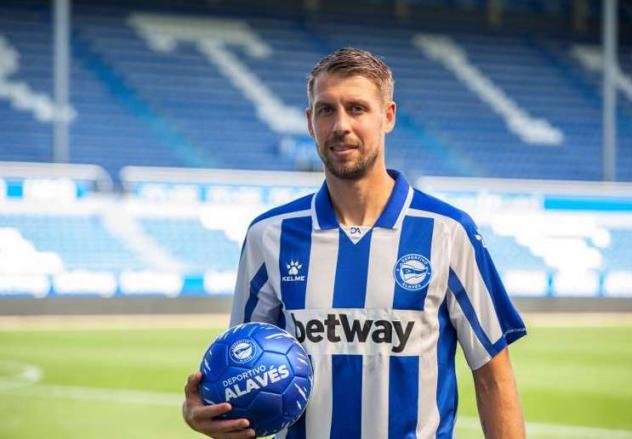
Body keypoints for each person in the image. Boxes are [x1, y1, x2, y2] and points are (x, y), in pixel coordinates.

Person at [183, 48, 527, 439]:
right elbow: (241, 368)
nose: (340, 125)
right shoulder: (268, 235)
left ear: (388, 116)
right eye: (326, 110)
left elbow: (493, 378)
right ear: (310, 122)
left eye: (358, 108)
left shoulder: (447, 232)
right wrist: (201, 411)